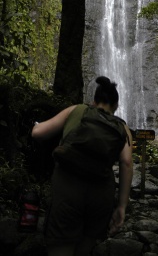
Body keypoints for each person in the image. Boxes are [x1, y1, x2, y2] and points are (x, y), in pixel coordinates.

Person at [32, 76, 133, 256]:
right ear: (116, 106)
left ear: (93, 101)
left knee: (61, 245)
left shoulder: (78, 110)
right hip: (101, 194)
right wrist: (122, 206)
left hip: (67, 188)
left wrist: (36, 124)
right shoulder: (121, 127)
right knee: (85, 246)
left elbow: (38, 133)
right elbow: (126, 163)